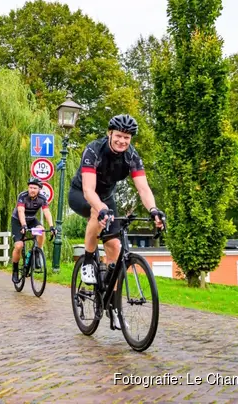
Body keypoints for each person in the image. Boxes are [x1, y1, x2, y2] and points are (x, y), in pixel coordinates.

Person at [68, 114, 165, 329]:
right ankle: (87, 260)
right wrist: (101, 208)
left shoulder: (132, 156)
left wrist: (154, 209)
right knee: (96, 211)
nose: (122, 141)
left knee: (115, 246)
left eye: (127, 138)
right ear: (110, 134)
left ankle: (112, 305)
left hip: (106, 198)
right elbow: (88, 189)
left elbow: (143, 188)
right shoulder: (94, 150)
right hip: (81, 194)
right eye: (119, 136)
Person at [10, 177, 56, 283]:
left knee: (41, 230)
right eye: (30, 187)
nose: (32, 190)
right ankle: (15, 270)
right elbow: (21, 211)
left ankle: (37, 252)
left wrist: (52, 226)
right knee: (19, 246)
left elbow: (46, 212)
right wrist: (24, 226)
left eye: (34, 188)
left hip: (32, 220)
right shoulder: (22, 196)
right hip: (18, 221)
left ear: (39, 189)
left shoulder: (42, 198)